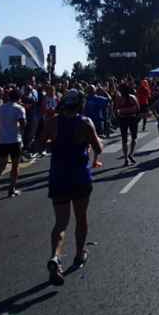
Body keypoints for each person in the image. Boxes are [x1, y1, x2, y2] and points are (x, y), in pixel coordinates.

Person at [36, 89, 104, 286]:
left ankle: (55, 257)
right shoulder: (85, 122)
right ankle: (78, 254)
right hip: (80, 177)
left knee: (60, 223)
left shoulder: (53, 122)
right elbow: (98, 148)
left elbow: (39, 144)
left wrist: (53, 142)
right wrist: (89, 143)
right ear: (81, 103)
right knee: (81, 217)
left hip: (58, 178)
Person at [0, 88, 26, 200]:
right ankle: (11, 189)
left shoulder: (0, 108)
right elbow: (23, 124)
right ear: (19, 98)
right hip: (14, 139)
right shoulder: (19, 109)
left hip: (2, 140)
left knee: (2, 164)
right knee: (15, 165)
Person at [115, 83, 139, 165]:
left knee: (124, 138)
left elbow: (116, 110)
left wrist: (120, 113)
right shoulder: (132, 97)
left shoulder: (119, 99)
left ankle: (126, 158)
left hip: (123, 117)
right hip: (131, 116)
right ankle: (131, 153)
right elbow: (138, 107)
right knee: (134, 136)